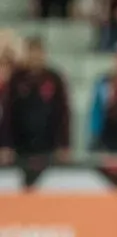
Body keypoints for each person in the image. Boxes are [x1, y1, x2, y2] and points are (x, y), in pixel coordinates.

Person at [0, 36, 72, 165]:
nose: (35, 56)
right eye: (31, 52)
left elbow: (63, 113)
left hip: (49, 144)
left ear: (44, 54)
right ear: (26, 54)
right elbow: (7, 114)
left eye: (38, 52)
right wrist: (5, 145)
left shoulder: (55, 79)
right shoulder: (16, 79)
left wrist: (64, 144)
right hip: (20, 145)